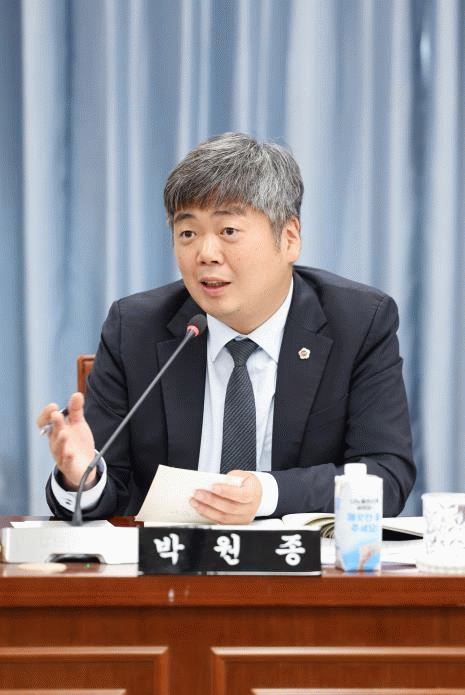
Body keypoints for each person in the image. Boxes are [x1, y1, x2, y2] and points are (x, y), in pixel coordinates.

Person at [38, 132, 416, 523]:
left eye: (228, 231)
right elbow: (107, 488)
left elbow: (386, 475)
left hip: (297, 559)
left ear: (289, 238)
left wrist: (266, 494)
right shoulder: (134, 330)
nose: (206, 254)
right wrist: (83, 477)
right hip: (172, 559)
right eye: (188, 233)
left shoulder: (357, 323)